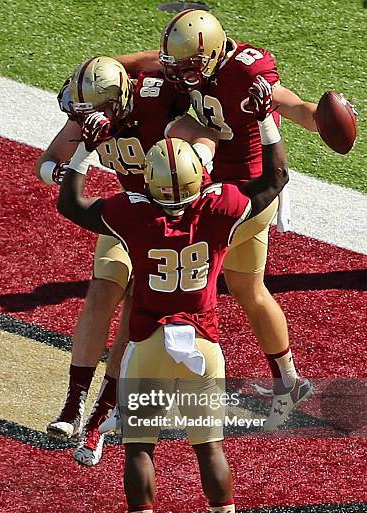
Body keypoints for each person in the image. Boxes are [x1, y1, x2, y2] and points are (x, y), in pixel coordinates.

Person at [55, 77, 288, 513]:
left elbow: (69, 205)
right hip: (203, 347)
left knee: (140, 449)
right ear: (199, 177)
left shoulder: (131, 214)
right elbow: (275, 179)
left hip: (147, 343)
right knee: (209, 449)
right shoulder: (219, 209)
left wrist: (86, 153)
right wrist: (266, 119)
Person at [118, 9, 319, 431]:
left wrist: (322, 118)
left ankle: (141, 390)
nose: (183, 77)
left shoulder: (247, 73)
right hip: (219, 186)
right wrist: (109, 67)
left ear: (211, 54)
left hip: (245, 194)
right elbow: (149, 63)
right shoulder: (190, 60)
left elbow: (296, 107)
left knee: (171, 269)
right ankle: (290, 380)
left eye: (190, 68)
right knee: (249, 288)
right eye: (179, 68)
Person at [36, 56, 217, 465]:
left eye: (93, 112)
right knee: (102, 293)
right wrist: (75, 158)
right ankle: (73, 402)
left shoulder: (155, 106)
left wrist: (192, 169)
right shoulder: (89, 116)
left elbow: (206, 137)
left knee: (135, 313)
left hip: (167, 216)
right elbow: (46, 163)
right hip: (128, 213)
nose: (87, 118)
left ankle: (101, 416)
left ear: (119, 100)